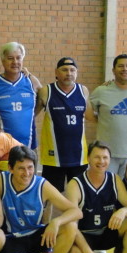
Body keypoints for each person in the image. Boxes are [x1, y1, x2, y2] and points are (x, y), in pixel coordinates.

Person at [0, 145, 81, 253]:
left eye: (30, 168)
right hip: (12, 238)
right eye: (21, 168)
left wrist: (56, 222)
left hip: (36, 235)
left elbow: (76, 212)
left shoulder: (42, 185)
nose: (27, 173)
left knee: (70, 226)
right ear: (10, 168)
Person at [65, 141, 127, 253]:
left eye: (105, 157)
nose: (101, 161)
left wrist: (122, 211)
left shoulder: (114, 179)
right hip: (84, 234)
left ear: (109, 159)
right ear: (88, 158)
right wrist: (86, 250)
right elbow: (71, 223)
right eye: (97, 157)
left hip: (107, 232)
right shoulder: (75, 184)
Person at [85, 54, 127, 177]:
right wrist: (104, 119)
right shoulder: (101, 91)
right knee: (107, 190)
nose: (125, 69)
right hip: (106, 154)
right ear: (113, 70)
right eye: (120, 66)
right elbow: (87, 114)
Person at [35, 57, 90, 192]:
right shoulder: (46, 91)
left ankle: (76, 214)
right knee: (50, 196)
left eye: (72, 70)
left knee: (79, 195)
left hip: (79, 156)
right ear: (56, 72)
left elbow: (91, 116)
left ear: (76, 73)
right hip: (53, 157)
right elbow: (31, 116)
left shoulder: (83, 91)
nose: (69, 73)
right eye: (64, 70)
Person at [0, 42, 42, 149]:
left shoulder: (32, 81)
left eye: (18, 58)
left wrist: (32, 114)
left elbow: (43, 100)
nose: (15, 62)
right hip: (1, 149)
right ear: (3, 60)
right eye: (10, 58)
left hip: (29, 147)